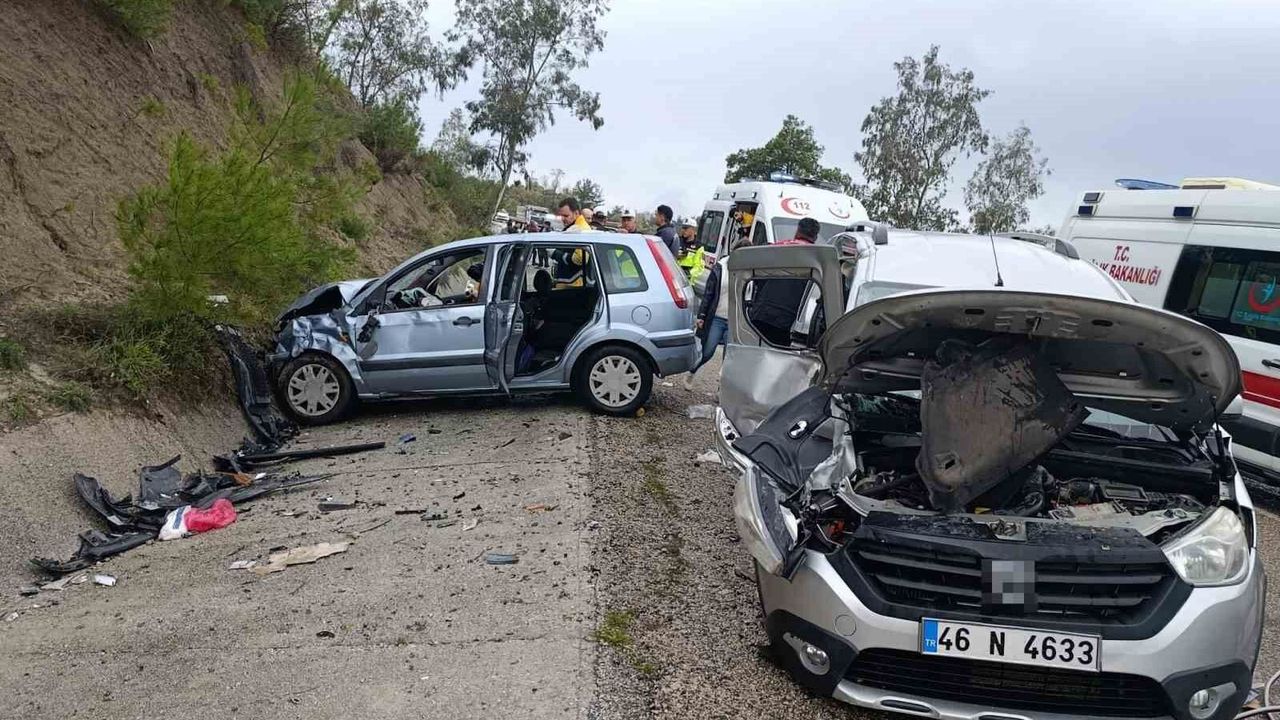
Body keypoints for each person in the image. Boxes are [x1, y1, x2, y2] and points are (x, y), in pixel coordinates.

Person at [685, 237, 748, 388]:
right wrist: (702, 315)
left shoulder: (749, 270)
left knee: (729, 358)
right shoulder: (721, 267)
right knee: (708, 352)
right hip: (717, 318)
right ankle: (692, 372)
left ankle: (722, 389)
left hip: (735, 320)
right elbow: (709, 294)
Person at [747, 217, 820, 345]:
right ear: (815, 237)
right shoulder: (817, 259)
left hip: (761, 314)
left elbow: (757, 276)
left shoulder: (778, 248)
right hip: (787, 322)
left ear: (797, 231)